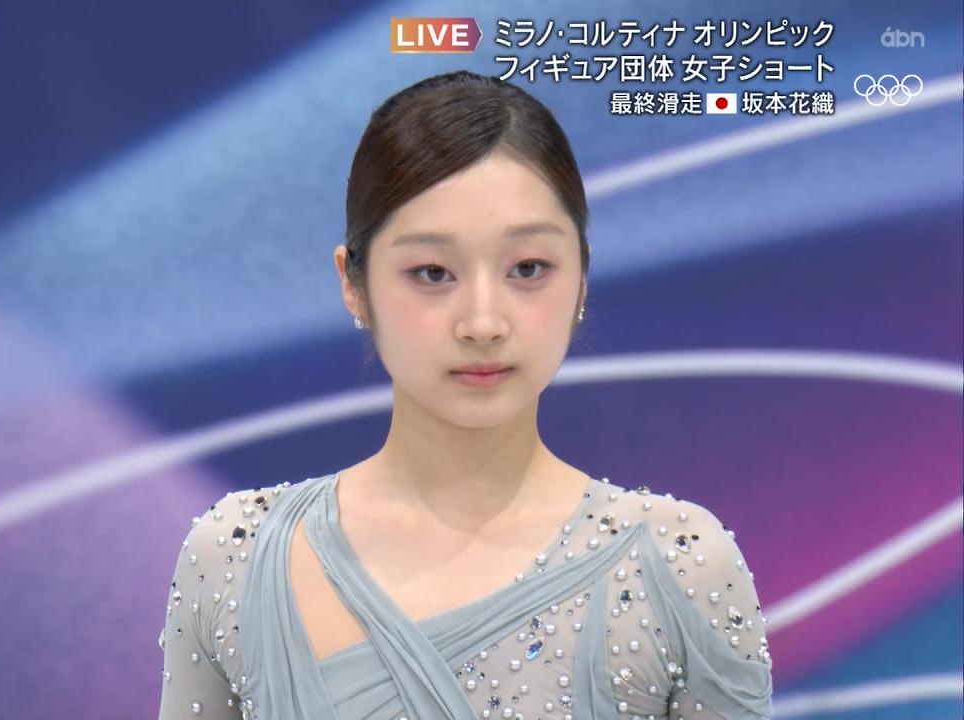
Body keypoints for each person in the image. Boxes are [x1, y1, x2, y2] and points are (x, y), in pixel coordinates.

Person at [157, 69, 774, 719]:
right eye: (432, 272)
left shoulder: (679, 564)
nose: (483, 322)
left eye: (528, 268)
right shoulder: (235, 556)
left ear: (582, 278)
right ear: (354, 284)